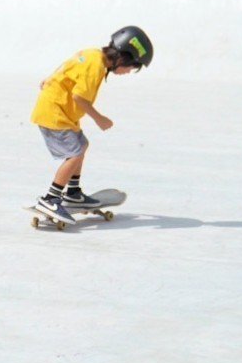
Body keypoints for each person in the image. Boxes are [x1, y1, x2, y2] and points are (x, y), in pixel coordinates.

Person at [29, 26, 154, 225]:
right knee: (75, 154)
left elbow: (67, 67)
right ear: (123, 57)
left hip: (60, 112)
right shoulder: (95, 66)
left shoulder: (92, 54)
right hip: (54, 114)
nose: (129, 72)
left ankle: (73, 193)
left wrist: (49, 79)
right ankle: (50, 199)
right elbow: (79, 97)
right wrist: (99, 118)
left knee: (82, 145)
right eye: (132, 66)